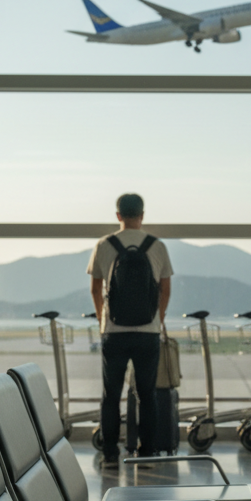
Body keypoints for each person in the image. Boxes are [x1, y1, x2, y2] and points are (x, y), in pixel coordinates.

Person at [88, 193, 173, 467]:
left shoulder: (104, 244)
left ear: (118, 216)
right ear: (143, 215)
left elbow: (95, 288)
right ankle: (146, 452)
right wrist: (156, 321)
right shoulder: (156, 246)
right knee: (147, 394)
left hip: (114, 331)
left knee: (110, 395)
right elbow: (165, 289)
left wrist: (104, 320)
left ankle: (111, 454)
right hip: (148, 333)